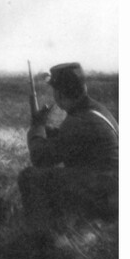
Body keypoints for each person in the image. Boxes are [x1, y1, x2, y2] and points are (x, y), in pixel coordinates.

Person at [18, 62, 118, 229]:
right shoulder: (96, 110)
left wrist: (37, 127)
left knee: (29, 177)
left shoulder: (78, 121)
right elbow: (72, 139)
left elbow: (40, 158)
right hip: (113, 188)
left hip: (108, 197)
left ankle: (41, 238)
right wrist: (46, 129)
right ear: (83, 87)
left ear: (59, 94)